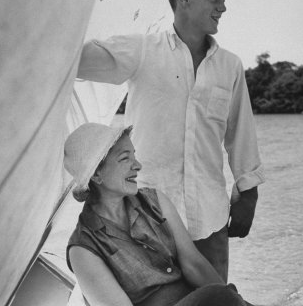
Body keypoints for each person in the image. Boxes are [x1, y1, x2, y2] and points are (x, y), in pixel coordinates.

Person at [77, 0, 265, 281]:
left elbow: (241, 135)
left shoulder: (230, 66)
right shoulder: (140, 50)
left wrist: (249, 193)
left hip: (210, 219)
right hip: (145, 219)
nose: (223, 7)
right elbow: (70, 60)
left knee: (215, 302)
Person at [64, 123, 251, 306]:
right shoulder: (82, 248)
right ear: (96, 175)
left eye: (134, 156)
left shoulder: (155, 201)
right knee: (220, 295)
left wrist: (234, 300)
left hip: (200, 299)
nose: (137, 165)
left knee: (226, 295)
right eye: (124, 159)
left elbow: (194, 264)